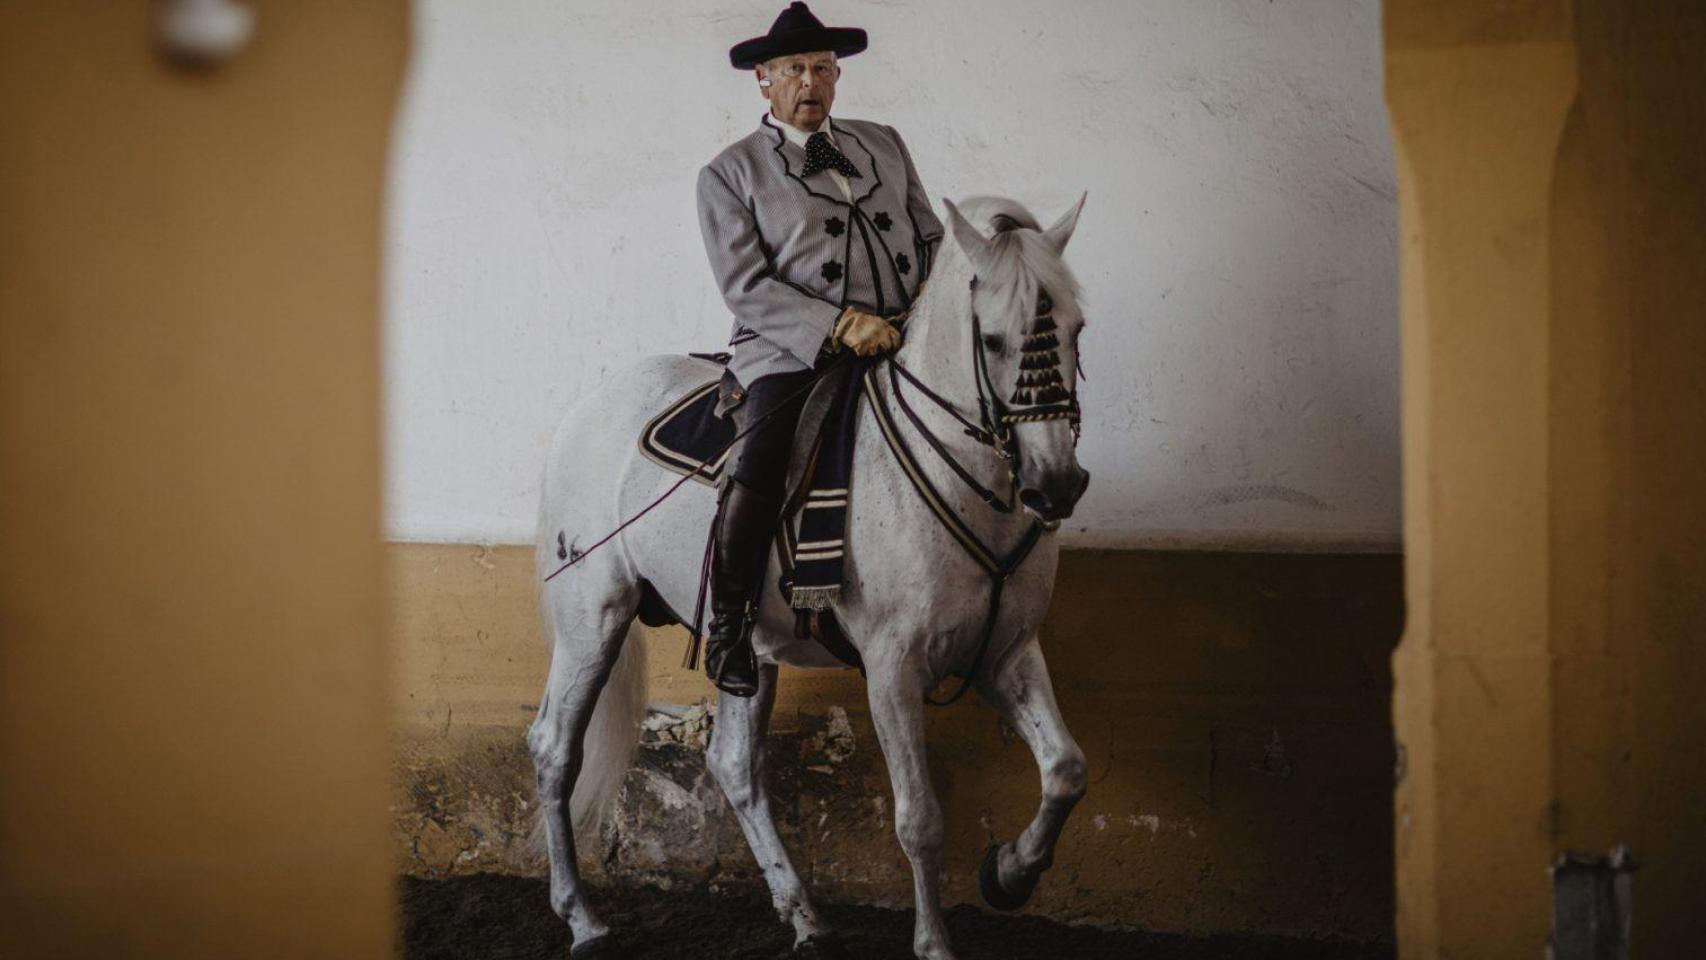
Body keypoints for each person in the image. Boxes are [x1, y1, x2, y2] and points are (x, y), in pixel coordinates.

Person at [695, 1, 943, 696]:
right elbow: (745, 286)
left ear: (837, 77)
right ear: (764, 82)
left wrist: (931, 306)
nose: (811, 81)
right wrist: (838, 325)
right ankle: (731, 624)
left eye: (822, 68)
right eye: (795, 69)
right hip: (791, 350)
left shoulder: (883, 143)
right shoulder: (729, 173)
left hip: (901, 335)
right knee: (764, 455)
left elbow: (928, 238)